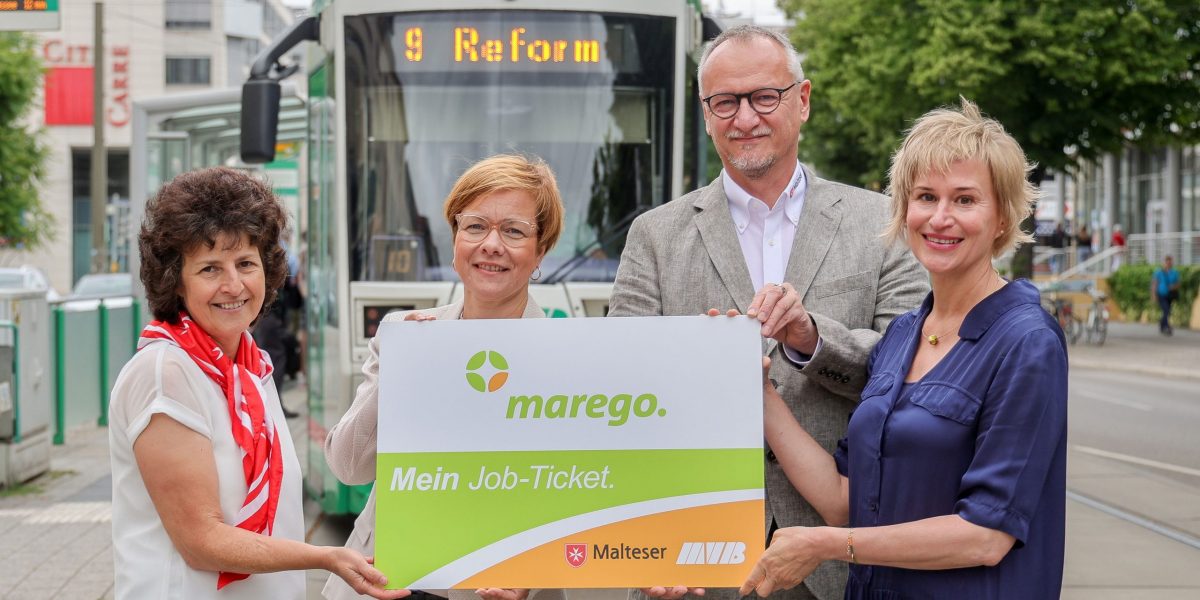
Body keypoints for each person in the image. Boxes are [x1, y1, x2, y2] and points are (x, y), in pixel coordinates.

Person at [608, 24, 928, 600]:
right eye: (725, 102)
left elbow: (911, 371)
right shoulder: (654, 236)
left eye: (764, 97)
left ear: (801, 101)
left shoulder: (882, 224)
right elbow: (621, 390)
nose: (745, 118)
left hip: (837, 554)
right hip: (690, 558)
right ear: (706, 115)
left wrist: (811, 338)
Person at [739, 99, 1068, 599]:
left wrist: (829, 546)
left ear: (1002, 217)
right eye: (925, 197)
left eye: (964, 200)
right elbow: (846, 499)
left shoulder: (1027, 342)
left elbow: (986, 535)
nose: (940, 218)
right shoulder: (902, 336)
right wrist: (759, 391)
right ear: (904, 209)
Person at [108, 167, 406, 599]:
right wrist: (325, 557)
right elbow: (202, 542)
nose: (233, 285)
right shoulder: (165, 373)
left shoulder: (250, 367)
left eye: (246, 263)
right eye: (210, 268)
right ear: (176, 281)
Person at [323, 155, 566, 600]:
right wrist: (396, 373)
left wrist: (533, 569)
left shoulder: (570, 358)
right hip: (391, 581)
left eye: (513, 231)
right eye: (475, 226)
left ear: (540, 252)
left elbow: (579, 490)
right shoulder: (407, 335)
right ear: (455, 241)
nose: (491, 244)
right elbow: (347, 466)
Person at [1152, 255, 1181, 336]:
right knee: (1166, 310)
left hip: (1170, 295)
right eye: (1167, 262)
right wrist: (1154, 294)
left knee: (1167, 311)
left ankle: (1162, 325)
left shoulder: (1175, 272)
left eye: (1170, 262)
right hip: (1161, 294)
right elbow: (1155, 283)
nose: (1168, 263)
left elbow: (1178, 284)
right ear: (1164, 263)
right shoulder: (1159, 272)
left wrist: (1173, 286)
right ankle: (1167, 327)